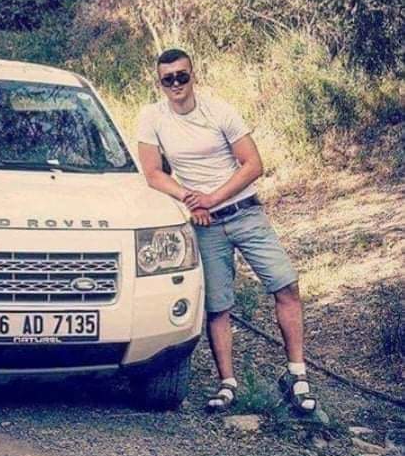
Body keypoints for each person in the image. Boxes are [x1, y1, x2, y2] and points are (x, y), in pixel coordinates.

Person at [136, 47, 318, 413]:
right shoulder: (152, 117)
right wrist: (191, 200)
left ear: (193, 75)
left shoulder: (219, 111)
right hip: (205, 223)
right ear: (160, 82)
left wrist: (213, 198)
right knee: (217, 305)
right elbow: (153, 173)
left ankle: (297, 375)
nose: (176, 84)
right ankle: (227, 384)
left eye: (182, 76)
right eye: (168, 79)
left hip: (243, 211)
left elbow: (253, 164)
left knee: (286, 285)